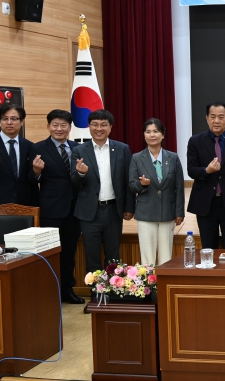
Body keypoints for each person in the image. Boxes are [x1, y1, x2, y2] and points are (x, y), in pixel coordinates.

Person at [28, 109, 83, 304]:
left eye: (63, 125)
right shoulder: (37, 148)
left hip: (74, 209)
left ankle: (67, 290)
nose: (59, 129)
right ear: (48, 126)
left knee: (69, 253)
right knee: (50, 252)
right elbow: (29, 180)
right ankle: (50, 292)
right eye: (55, 125)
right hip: (50, 209)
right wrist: (36, 172)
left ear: (69, 127)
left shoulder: (78, 148)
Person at [71, 109, 135, 273]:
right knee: (91, 255)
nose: (99, 128)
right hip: (89, 212)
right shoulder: (79, 150)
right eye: (95, 124)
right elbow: (74, 181)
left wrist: (129, 207)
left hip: (113, 210)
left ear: (110, 127)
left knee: (113, 256)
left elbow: (128, 180)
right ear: (89, 126)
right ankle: (95, 289)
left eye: (103, 125)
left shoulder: (122, 149)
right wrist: (81, 173)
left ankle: (113, 287)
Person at [187, 102, 225, 250]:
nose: (216, 121)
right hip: (206, 203)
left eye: (221, 117)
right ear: (207, 118)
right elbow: (191, 170)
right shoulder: (195, 141)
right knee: (208, 247)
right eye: (213, 117)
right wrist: (207, 170)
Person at [128, 118, 185, 266]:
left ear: (163, 134)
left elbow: (179, 186)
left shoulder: (173, 157)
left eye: (156, 131)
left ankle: (164, 281)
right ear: (144, 135)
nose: (152, 135)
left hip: (168, 212)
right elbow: (132, 185)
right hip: (146, 213)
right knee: (147, 258)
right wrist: (142, 184)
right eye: (148, 132)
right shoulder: (136, 158)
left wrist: (179, 212)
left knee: (166, 256)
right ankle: (148, 282)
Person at [0, 103, 38, 206]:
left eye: (14, 119)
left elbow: (32, 179)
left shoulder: (30, 146)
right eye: (5, 119)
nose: (9, 122)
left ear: (22, 121)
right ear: (0, 121)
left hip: (24, 203)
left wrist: (37, 171)